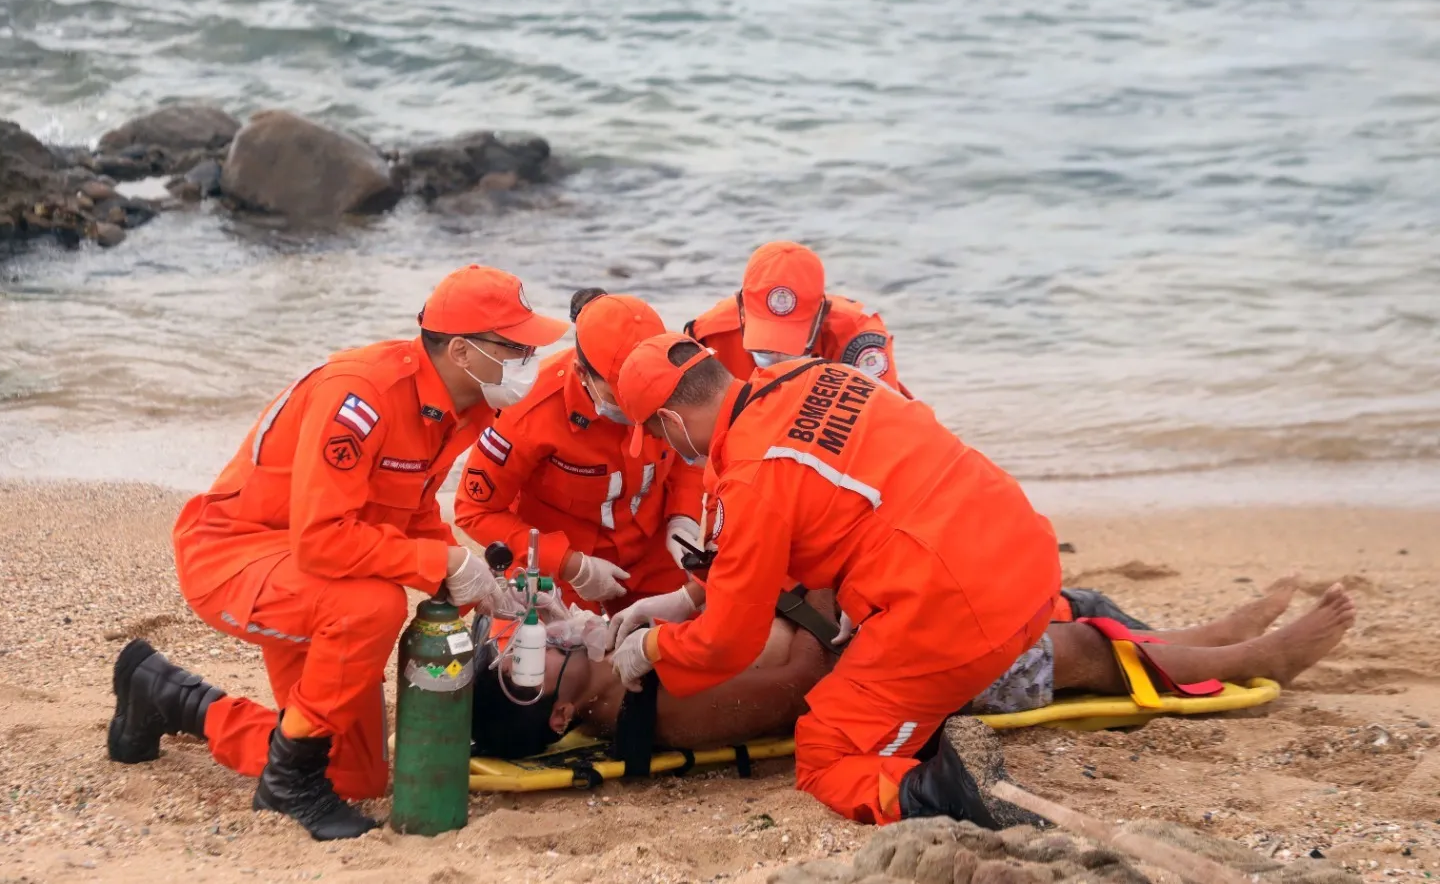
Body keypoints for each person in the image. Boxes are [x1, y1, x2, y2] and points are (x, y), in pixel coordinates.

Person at [105, 264, 569, 841]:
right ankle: (288, 783)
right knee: (370, 606)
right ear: (462, 351)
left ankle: (170, 697)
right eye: (517, 345)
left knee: (359, 775)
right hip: (236, 555)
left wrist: (480, 584)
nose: (531, 356)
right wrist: (442, 565)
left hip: (312, 572)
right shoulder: (363, 393)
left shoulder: (460, 408)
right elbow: (322, 536)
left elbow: (412, 513)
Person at [603, 332, 1062, 826]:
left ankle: (946, 793)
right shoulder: (815, 374)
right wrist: (690, 596)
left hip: (960, 609)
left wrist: (654, 648)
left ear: (671, 420)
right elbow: (800, 510)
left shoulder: (751, 478)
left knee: (825, 755)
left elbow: (729, 644)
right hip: (1029, 558)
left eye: (656, 433)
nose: (662, 445)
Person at [474, 578, 1357, 764]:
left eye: (520, 640)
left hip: (857, 637)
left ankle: (1198, 633)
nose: (538, 642)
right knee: (1075, 655)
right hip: (880, 673)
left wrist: (696, 598)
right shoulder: (662, 712)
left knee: (1046, 614)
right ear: (558, 717)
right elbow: (800, 678)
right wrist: (781, 594)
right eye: (527, 665)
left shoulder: (630, 670)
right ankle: (1252, 657)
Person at [453, 289, 703, 614]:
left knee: (697, 638)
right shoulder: (528, 410)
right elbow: (475, 511)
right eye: (623, 396)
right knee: (552, 654)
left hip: (652, 547)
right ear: (582, 373)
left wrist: (684, 519)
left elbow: (693, 453)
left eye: (648, 395)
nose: (639, 409)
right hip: (562, 560)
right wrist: (571, 565)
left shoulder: (677, 379)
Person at [683, 241, 909, 394]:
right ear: (741, 308)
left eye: (790, 343)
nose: (778, 357)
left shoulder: (857, 339)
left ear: (821, 313)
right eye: (765, 346)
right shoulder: (707, 338)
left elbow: (886, 428)